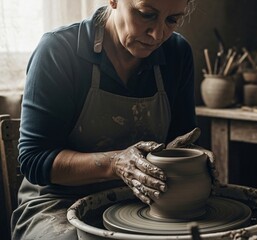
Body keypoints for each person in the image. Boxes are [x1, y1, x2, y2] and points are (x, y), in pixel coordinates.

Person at [11, 0, 215, 239]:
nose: (158, 34)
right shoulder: (59, 50)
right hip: (58, 204)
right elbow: (34, 160)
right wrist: (115, 162)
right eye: (146, 14)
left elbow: (180, 142)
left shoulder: (177, 52)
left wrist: (193, 158)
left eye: (172, 20)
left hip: (143, 201)